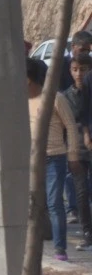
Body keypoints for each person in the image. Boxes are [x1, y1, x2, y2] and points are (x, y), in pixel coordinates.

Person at [27, 58, 86, 262]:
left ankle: (60, 249)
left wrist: (72, 155)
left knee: (54, 204)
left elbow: (70, 126)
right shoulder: (20, 100)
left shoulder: (55, 98)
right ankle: (35, 247)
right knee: (34, 204)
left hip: (54, 159)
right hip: (31, 161)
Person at [69, 55, 92, 249]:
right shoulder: (68, 95)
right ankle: (87, 233)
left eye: (83, 69)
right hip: (78, 150)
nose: (79, 74)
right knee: (82, 193)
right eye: (75, 69)